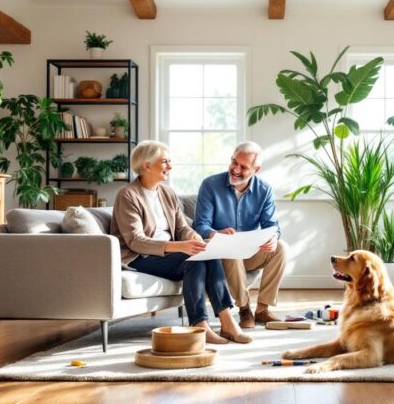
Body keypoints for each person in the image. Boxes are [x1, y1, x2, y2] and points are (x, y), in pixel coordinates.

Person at [111, 140, 251, 344]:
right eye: (165, 161)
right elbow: (135, 241)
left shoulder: (167, 193)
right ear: (147, 165)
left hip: (168, 254)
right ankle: (200, 325)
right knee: (193, 261)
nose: (170, 166)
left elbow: (181, 228)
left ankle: (227, 322)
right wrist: (180, 246)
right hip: (140, 257)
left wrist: (194, 238)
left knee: (208, 254)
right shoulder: (128, 195)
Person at [194, 141, 288, 328]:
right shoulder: (210, 185)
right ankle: (244, 309)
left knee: (281, 248)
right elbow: (200, 225)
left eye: (243, 167)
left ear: (256, 169)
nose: (235, 169)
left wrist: (273, 238)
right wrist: (216, 234)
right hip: (219, 255)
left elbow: (272, 226)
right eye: (233, 162)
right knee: (231, 249)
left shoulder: (264, 190)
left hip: (249, 253)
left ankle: (262, 310)